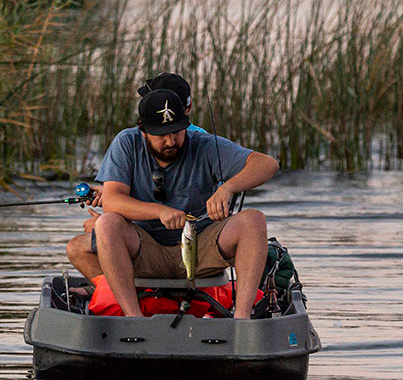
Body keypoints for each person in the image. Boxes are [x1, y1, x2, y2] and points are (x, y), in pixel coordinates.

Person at [71, 84, 278, 319]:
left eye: (177, 131)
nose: (171, 141)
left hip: (200, 245)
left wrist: (228, 188)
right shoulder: (126, 143)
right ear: (144, 131)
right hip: (146, 248)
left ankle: (241, 320)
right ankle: (134, 319)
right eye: (162, 135)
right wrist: (160, 212)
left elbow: (267, 164)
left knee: (253, 219)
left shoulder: (204, 144)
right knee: (106, 223)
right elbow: (112, 201)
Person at [67, 72, 203, 281]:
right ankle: (119, 296)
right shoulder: (134, 140)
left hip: (181, 242)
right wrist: (112, 195)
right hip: (144, 233)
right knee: (84, 241)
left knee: (94, 235)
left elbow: (177, 202)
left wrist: (106, 222)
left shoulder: (193, 142)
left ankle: (119, 299)